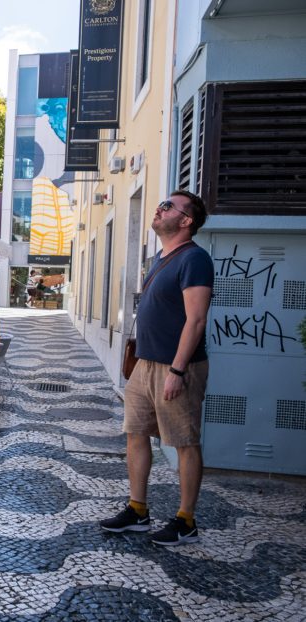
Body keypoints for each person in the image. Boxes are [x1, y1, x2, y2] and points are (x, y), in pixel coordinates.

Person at [99, 190, 213, 547]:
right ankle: (138, 509)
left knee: (184, 441)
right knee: (136, 434)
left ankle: (186, 520)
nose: (159, 208)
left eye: (168, 206)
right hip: (145, 365)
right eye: (160, 203)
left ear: (186, 220)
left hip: (176, 367)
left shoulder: (194, 259)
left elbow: (195, 320)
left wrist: (177, 372)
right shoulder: (159, 258)